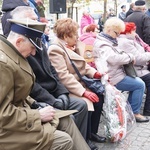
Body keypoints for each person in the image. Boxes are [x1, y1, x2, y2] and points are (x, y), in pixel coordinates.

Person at [0, 18, 90, 150]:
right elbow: (2, 114)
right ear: (19, 41)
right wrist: (37, 115)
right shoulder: (3, 64)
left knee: (65, 120)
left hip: (17, 118)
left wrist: (35, 104)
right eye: (32, 47)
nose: (33, 53)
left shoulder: (13, 54)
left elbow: (18, 94)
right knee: (64, 141)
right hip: (6, 131)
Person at [48, 18, 106, 150]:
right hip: (69, 88)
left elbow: (83, 66)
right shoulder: (55, 49)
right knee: (87, 102)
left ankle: (91, 132)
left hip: (78, 83)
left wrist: (95, 73)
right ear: (66, 36)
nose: (78, 36)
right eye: (75, 34)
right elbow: (63, 76)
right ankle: (83, 138)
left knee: (99, 96)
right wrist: (83, 92)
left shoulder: (69, 46)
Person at [93, 17, 149, 123]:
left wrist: (127, 56)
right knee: (139, 84)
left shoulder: (108, 40)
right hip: (111, 77)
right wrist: (130, 57)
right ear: (109, 29)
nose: (118, 35)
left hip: (115, 73)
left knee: (139, 83)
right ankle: (134, 113)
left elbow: (118, 54)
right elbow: (113, 58)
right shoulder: (103, 43)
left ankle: (130, 112)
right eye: (116, 32)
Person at [118, 22, 150, 116]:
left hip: (136, 68)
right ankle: (145, 111)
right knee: (143, 83)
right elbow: (138, 58)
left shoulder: (131, 40)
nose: (135, 32)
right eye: (133, 30)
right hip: (134, 70)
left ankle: (133, 111)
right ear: (128, 32)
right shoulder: (126, 42)